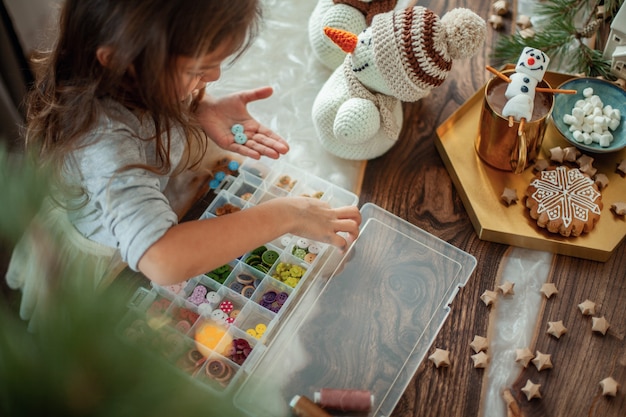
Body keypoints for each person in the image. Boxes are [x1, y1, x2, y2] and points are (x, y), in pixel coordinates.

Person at [6, 0, 361, 325]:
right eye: (199, 68)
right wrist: (287, 215)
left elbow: (145, 111)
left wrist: (198, 108)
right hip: (104, 266)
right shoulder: (103, 145)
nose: (214, 77)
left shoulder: (129, 80)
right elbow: (162, 258)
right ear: (119, 59)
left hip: (134, 214)